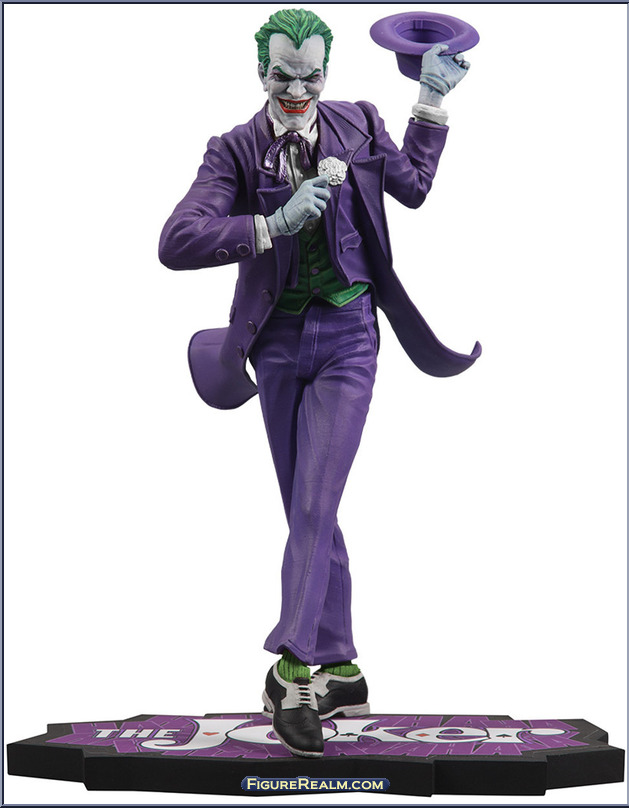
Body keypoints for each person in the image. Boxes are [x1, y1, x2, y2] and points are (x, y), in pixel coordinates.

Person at [159, 8, 479, 758]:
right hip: (274, 344)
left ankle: (292, 672)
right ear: (260, 72)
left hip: (348, 336)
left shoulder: (359, 122)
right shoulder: (234, 150)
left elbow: (414, 188)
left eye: (310, 75)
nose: (297, 89)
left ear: (327, 72)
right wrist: (268, 226)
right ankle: (342, 666)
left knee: (313, 502)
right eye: (282, 74)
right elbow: (176, 241)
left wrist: (430, 100)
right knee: (311, 509)